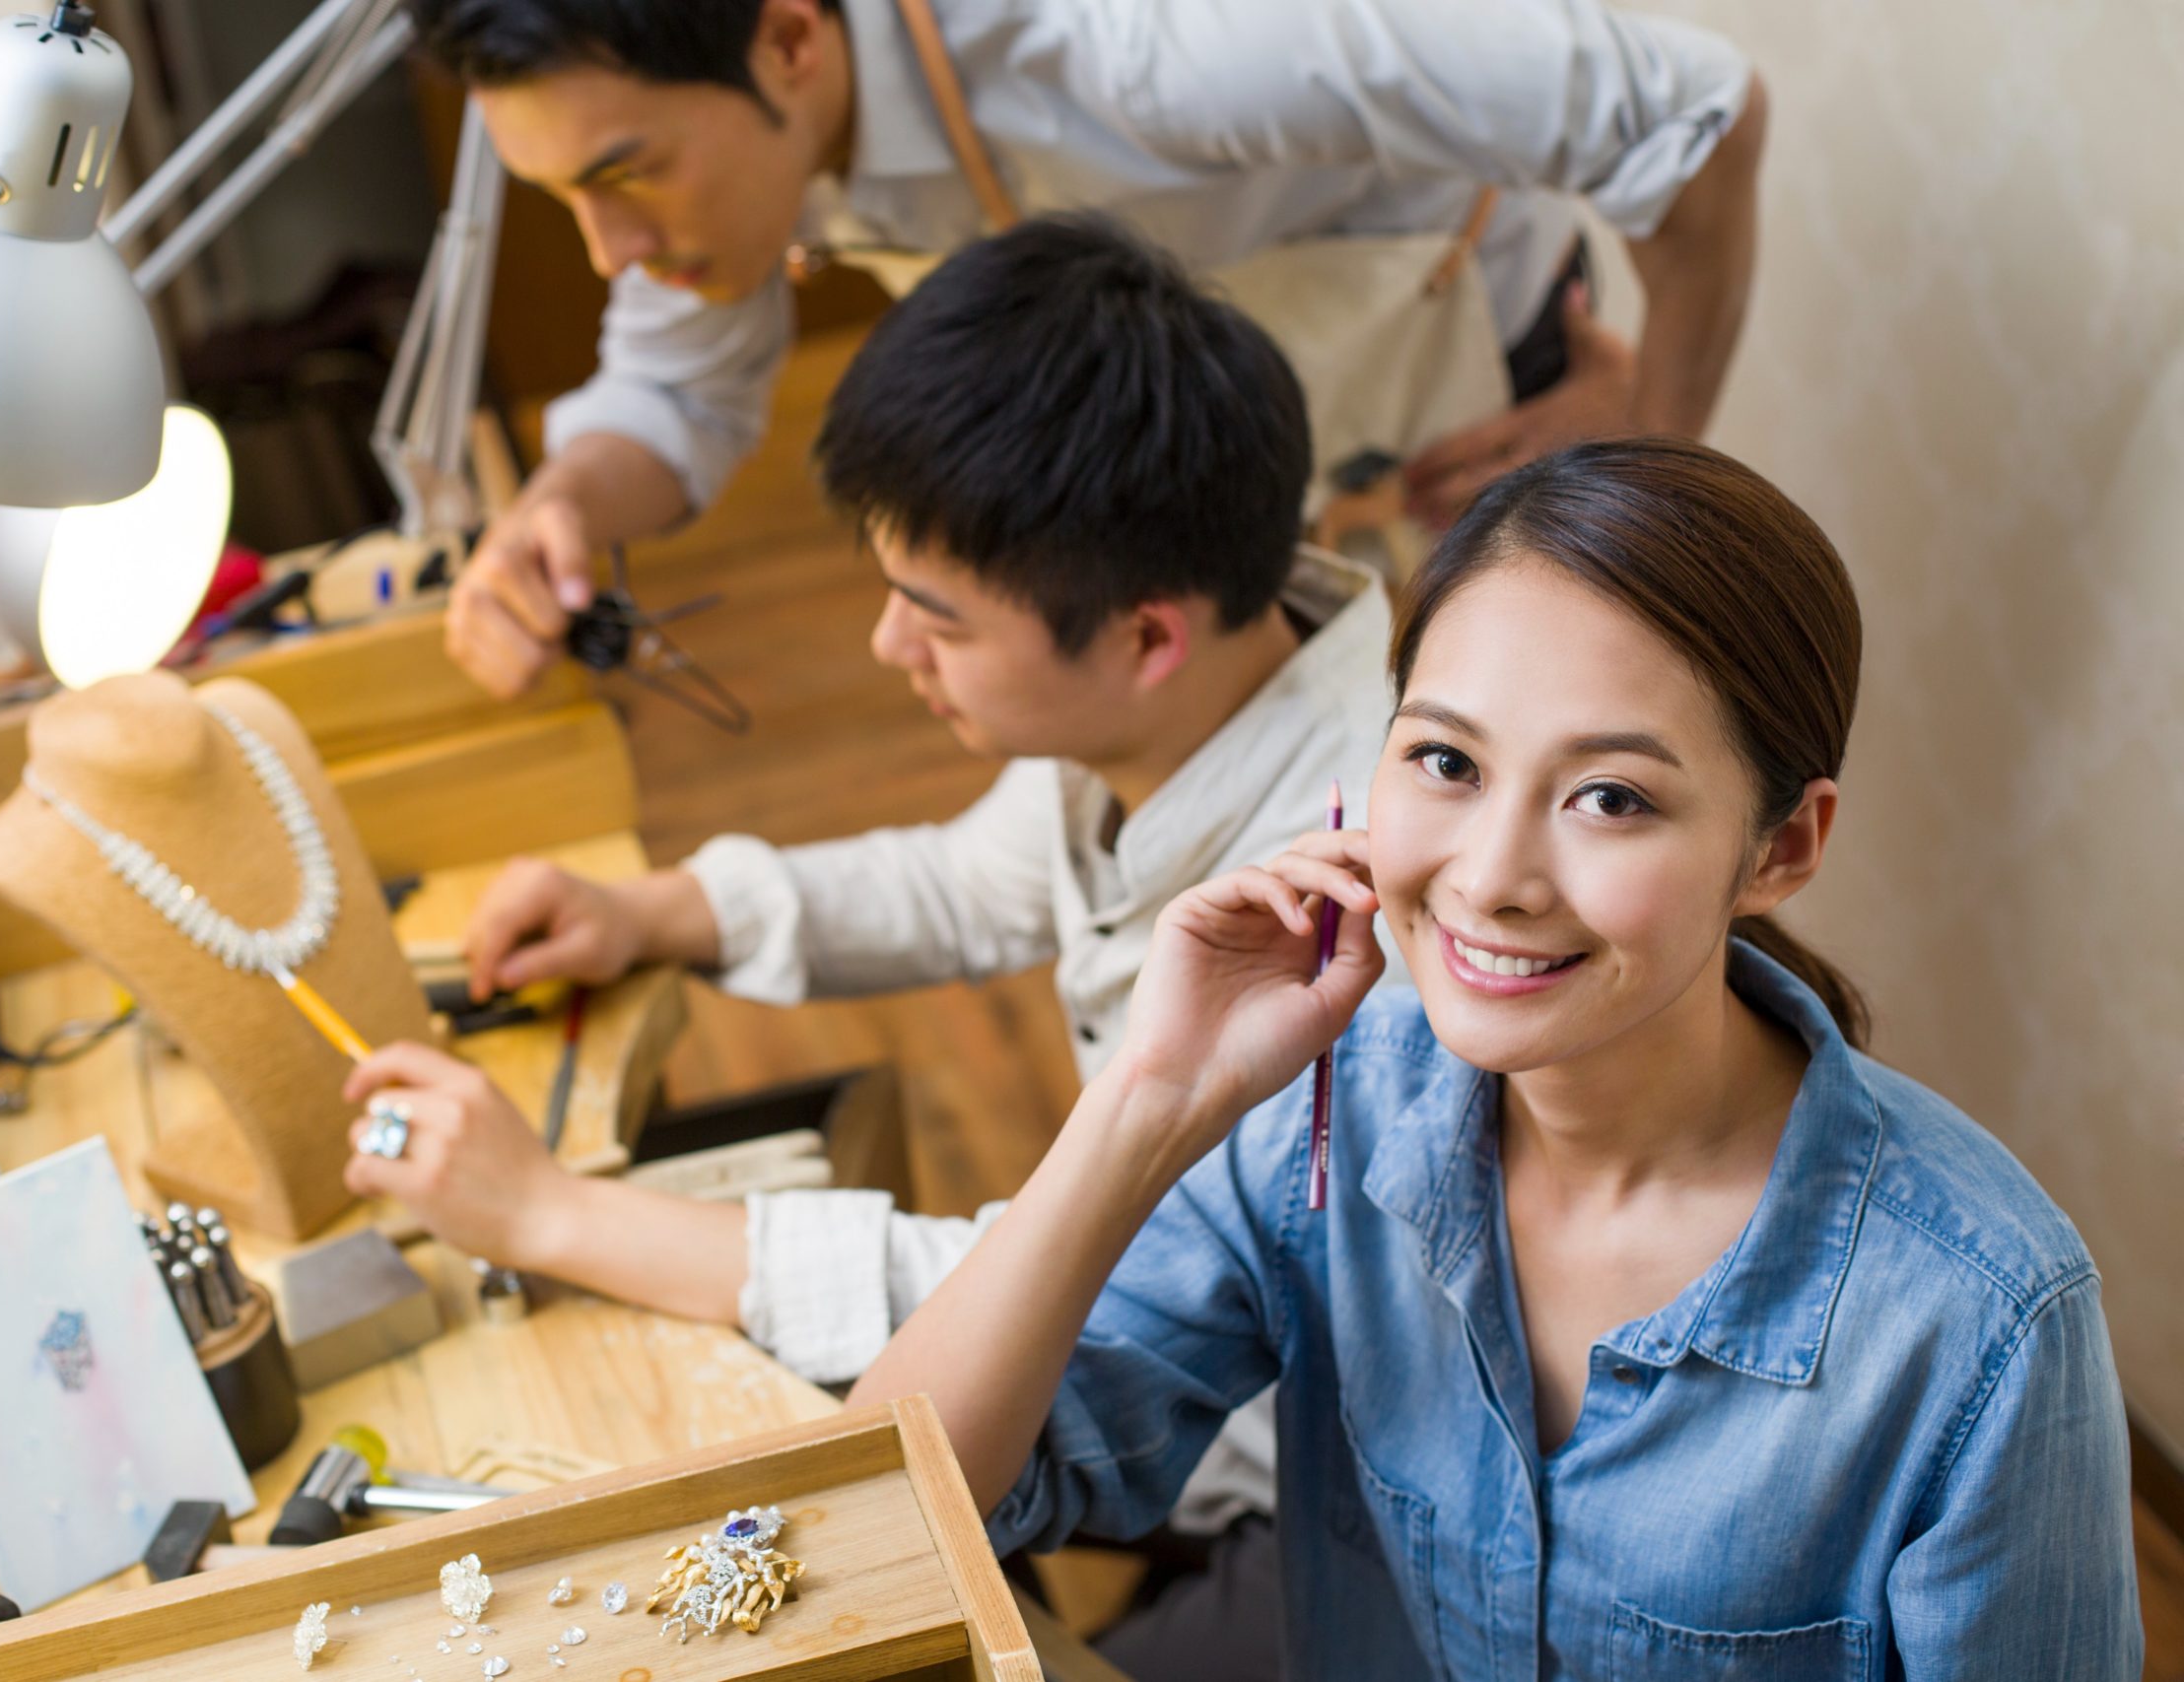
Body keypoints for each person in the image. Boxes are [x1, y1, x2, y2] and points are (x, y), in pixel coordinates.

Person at [844, 437, 2145, 1678]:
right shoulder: (1334, 1108)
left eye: (1613, 798)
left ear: (1782, 848)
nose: (1492, 878)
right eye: (1447, 760)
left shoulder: (1982, 1323)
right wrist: (1147, 1098)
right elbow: (904, 1516)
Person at [339, 215, 1396, 1664]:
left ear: (1147, 635)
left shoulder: (1346, 920)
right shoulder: (1220, 669)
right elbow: (969, 881)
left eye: (934, 619)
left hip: (1339, 1505)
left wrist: (553, 1218)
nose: (891, 652)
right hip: (1178, 1423)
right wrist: (661, 909)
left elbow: (1046, 1295)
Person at [410, 0, 1769, 699]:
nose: (605, 251)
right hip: (1212, 508)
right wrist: (564, 504)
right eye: (563, 200)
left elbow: (1694, 116)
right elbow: (671, 389)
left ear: (788, 36)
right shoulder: (727, 123)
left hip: (1470, 424)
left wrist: (1650, 442)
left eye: (625, 177)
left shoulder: (1148, 53)